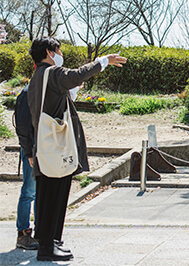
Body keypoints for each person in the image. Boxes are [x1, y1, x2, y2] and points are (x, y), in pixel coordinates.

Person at [27, 38, 126, 262]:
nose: (60, 53)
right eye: (58, 50)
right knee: (54, 194)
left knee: (47, 195)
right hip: (54, 149)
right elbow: (76, 74)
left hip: (43, 147)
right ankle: (47, 247)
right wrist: (104, 61)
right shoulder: (52, 73)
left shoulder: (38, 77)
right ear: (50, 52)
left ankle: (49, 242)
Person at [13, 84, 39, 250]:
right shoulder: (28, 91)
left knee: (40, 192)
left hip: (42, 148)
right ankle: (22, 233)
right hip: (32, 148)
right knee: (29, 191)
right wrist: (29, 153)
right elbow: (22, 125)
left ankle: (40, 231)